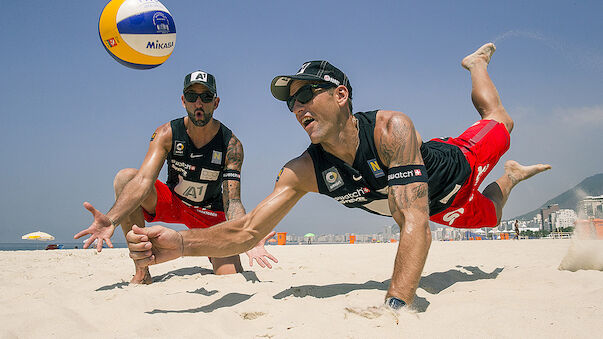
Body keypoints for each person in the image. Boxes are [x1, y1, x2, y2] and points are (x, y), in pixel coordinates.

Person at [126, 43, 550, 307]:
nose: (298, 108)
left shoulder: (390, 130)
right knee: (493, 215)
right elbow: (248, 232)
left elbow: (414, 222)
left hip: (455, 166)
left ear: (341, 94)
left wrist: (397, 304)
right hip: (441, 208)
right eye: (291, 103)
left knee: (501, 121)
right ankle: (510, 177)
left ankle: (476, 64)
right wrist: (181, 244)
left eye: (307, 94)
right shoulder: (304, 171)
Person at [74, 70, 277, 283]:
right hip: (173, 202)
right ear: (183, 101)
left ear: (216, 103)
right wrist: (111, 219)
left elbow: (233, 202)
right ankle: (142, 270)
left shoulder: (231, 145)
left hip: (209, 213)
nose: (198, 103)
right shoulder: (166, 133)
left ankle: (214, 254)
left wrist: (247, 235)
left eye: (206, 97)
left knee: (230, 275)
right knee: (126, 177)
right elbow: (143, 181)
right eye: (192, 97)